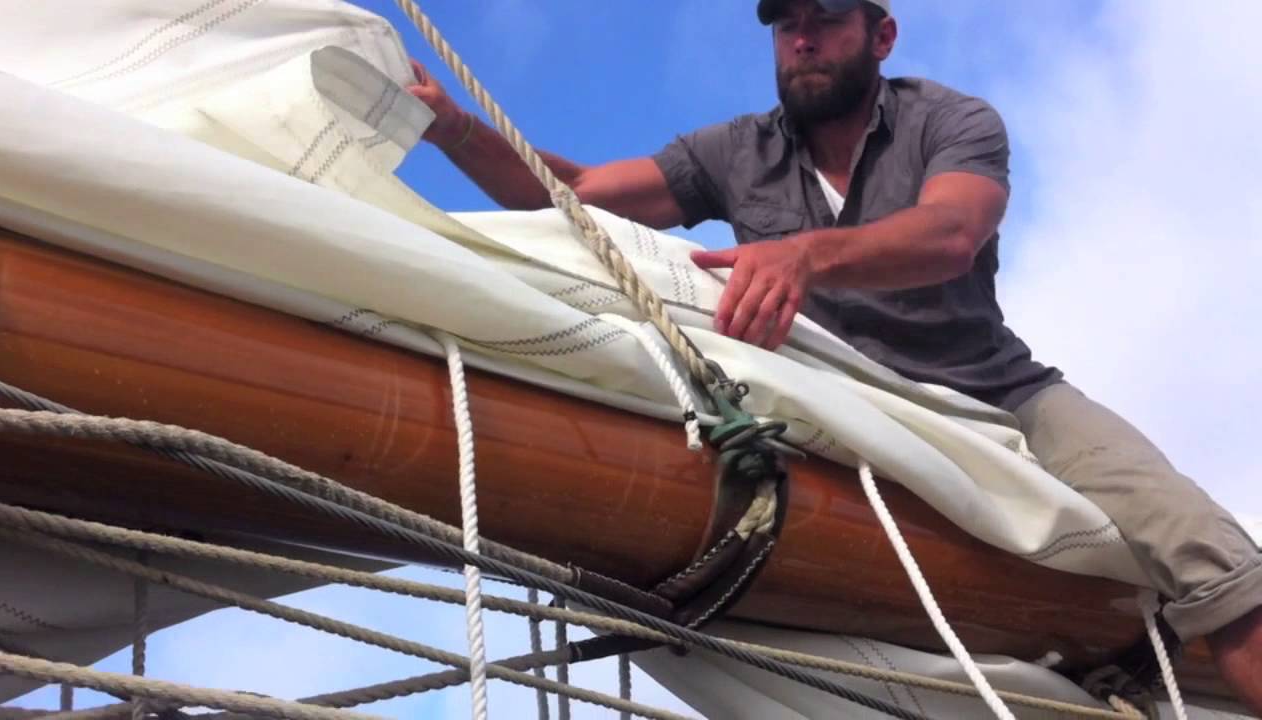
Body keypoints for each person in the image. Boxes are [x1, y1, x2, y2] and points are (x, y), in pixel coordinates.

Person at [407, 0, 1262, 711]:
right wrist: (455, 131)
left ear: (880, 35)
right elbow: (582, 193)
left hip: (1001, 394)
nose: (803, 40)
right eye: (786, 25)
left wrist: (806, 255)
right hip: (836, 403)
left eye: (825, 19)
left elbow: (952, 232)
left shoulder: (952, 120)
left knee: (1205, 551)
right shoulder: (734, 151)